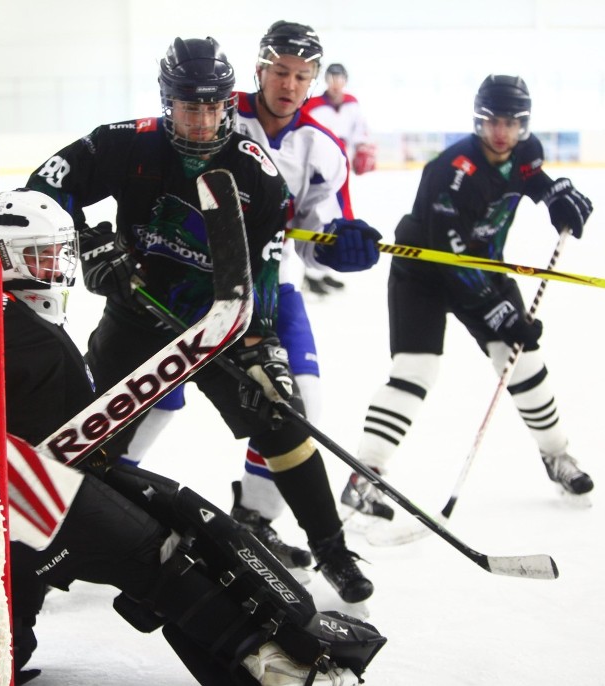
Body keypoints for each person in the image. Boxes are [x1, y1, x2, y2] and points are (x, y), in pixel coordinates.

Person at [0, 190, 387, 686]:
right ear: (4, 258)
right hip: (1, 502)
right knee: (163, 553)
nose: (57, 266)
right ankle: (275, 663)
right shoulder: (16, 329)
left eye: (58, 250)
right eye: (40, 254)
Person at [25, 36, 380, 605]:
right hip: (138, 316)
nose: (203, 120)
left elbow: (263, 273)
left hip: (218, 322)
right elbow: (43, 188)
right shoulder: (126, 143)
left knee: (282, 422)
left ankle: (332, 550)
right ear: (169, 102)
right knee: (88, 436)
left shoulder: (257, 173)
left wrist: (263, 347)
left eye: (214, 107)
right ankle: (44, 558)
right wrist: (87, 242)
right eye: (190, 107)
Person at [341, 74, 595, 524]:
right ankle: (364, 477)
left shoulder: (526, 152)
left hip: (484, 267)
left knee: (522, 362)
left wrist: (555, 196)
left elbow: (532, 178)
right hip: (425, 272)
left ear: (524, 125)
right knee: (415, 371)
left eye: (512, 122)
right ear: (478, 121)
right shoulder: (450, 171)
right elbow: (450, 258)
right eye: (491, 121)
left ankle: (558, 457)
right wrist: (500, 313)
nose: (501, 132)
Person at [303, 63, 376, 296]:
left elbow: (360, 131)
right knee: (318, 215)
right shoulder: (313, 105)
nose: (335, 83)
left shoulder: (352, 104)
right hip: (318, 168)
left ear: (345, 80)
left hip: (342, 166)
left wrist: (362, 148)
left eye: (339, 78)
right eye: (331, 78)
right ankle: (310, 274)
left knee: (339, 215)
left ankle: (323, 272)